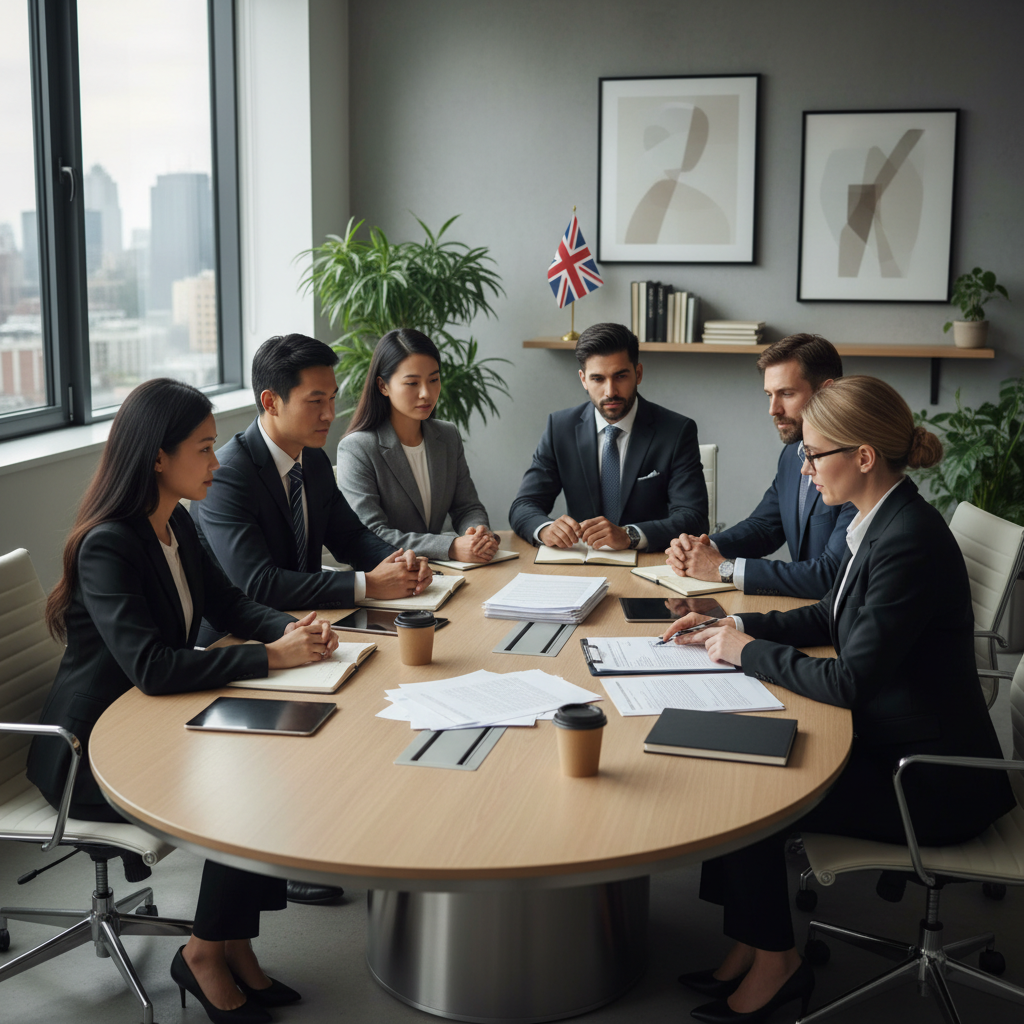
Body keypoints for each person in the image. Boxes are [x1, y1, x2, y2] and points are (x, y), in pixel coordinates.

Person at [662, 376, 1015, 1023]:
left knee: (752, 794)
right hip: (896, 740)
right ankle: (752, 942)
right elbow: (830, 617)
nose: (805, 466)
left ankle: (777, 965)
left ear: (863, 457)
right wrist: (735, 629)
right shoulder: (878, 520)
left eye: (816, 454)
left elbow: (850, 680)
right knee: (736, 762)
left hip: (932, 781)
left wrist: (744, 653)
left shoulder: (908, 539)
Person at [27, 378, 340, 1023]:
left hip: (156, 724)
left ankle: (233, 945)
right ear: (157, 458)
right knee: (246, 791)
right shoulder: (108, 544)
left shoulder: (177, 523)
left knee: (278, 760)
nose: (217, 463)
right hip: (89, 753)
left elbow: (229, 604)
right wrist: (270, 658)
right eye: (204, 449)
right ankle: (202, 953)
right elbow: (151, 667)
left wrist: (287, 630)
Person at [192, 334, 432, 904]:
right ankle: (288, 843)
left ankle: (335, 822)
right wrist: (367, 585)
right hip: (235, 641)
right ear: (271, 401)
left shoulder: (314, 461)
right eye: (316, 400)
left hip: (306, 629)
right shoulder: (229, 472)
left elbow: (351, 537)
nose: (332, 413)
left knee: (392, 681)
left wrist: (398, 563)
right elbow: (257, 584)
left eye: (333, 398)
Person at [668, 334, 856, 599]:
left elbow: (829, 574)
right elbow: (765, 527)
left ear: (826, 391)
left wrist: (724, 569)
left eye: (786, 394)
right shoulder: (793, 454)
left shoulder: (854, 464)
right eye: (769, 395)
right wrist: (703, 547)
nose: (773, 409)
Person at [509, 322, 707, 551]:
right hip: (580, 563)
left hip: (648, 562)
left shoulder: (676, 431)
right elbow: (524, 505)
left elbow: (694, 518)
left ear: (638, 373)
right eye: (598, 379)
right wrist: (545, 528)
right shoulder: (559, 428)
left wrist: (629, 535)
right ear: (583, 379)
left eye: (620, 376)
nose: (610, 391)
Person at [336, 328, 498, 562]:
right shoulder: (358, 448)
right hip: (392, 579)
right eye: (412, 383)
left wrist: (477, 534)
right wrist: (451, 547)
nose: (426, 393)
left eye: (434, 379)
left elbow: (467, 507)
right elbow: (371, 533)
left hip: (443, 574)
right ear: (383, 386)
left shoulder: (447, 436)